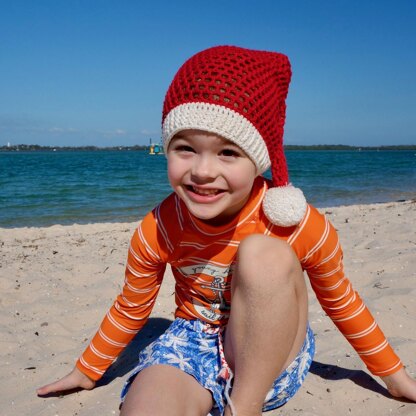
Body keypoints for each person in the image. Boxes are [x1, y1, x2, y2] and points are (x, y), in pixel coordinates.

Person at [37, 45, 416, 416]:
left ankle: (243, 407)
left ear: (259, 160)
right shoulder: (160, 227)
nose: (202, 170)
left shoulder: (296, 223)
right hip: (193, 342)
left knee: (261, 253)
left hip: (273, 354)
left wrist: (395, 377)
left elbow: (341, 301)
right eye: (185, 148)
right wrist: (86, 371)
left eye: (228, 153)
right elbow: (131, 307)